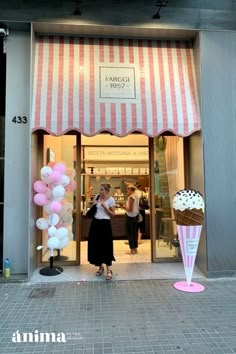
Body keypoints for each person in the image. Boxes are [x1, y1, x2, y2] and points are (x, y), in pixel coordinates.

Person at [87, 183, 116, 280]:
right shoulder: (97, 197)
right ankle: (100, 267)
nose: (100, 191)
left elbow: (113, 215)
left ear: (107, 191)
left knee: (106, 246)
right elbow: (92, 209)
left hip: (105, 224)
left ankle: (109, 269)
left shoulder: (111, 200)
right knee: (96, 245)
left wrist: (105, 207)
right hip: (95, 223)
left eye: (102, 189)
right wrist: (93, 204)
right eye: (100, 189)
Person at [123, 184, 139, 255]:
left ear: (130, 190)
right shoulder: (136, 197)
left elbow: (129, 209)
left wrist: (123, 206)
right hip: (135, 217)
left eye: (127, 190)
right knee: (134, 233)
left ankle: (132, 250)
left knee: (130, 234)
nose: (127, 191)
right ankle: (135, 249)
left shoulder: (131, 197)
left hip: (130, 217)